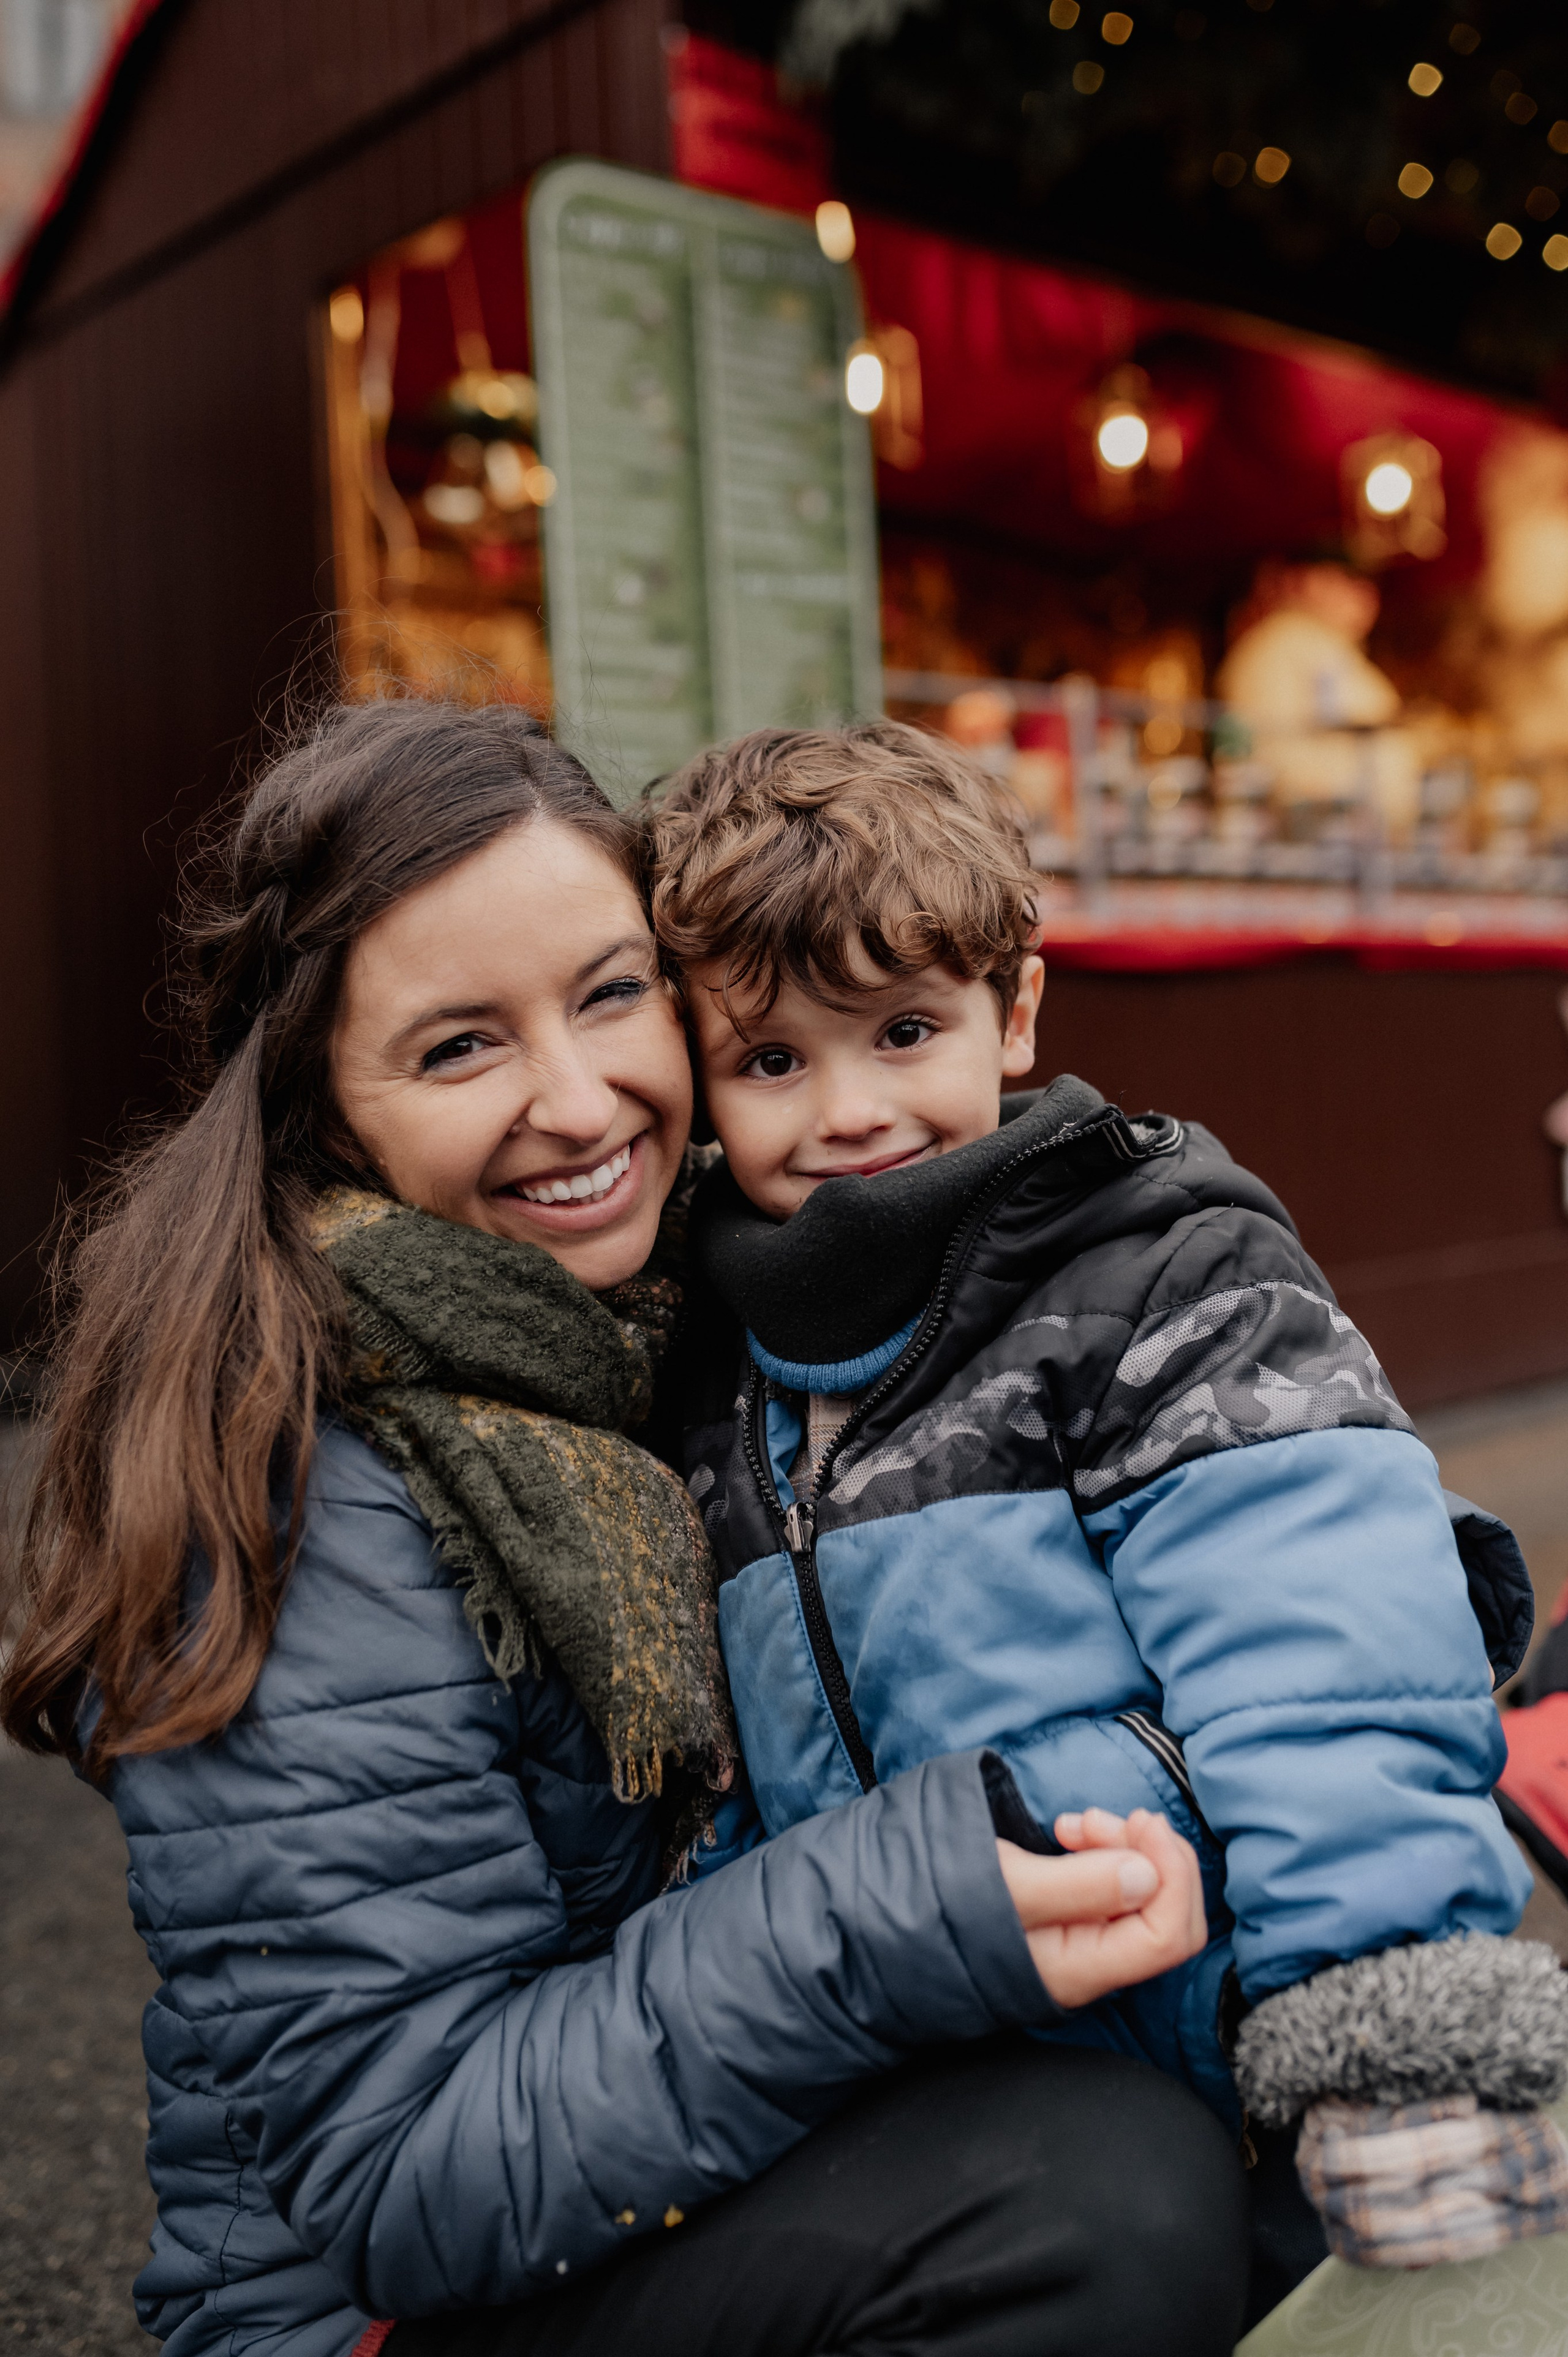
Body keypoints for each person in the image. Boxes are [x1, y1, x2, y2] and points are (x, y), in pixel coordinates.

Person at [0, 698, 1251, 2357]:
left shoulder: (699, 1323)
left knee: (1279, 2153)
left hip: (651, 2161)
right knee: (1095, 2200)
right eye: (460, 1046)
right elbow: (403, 2165)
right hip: (390, 2301)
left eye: (610, 997)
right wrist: (904, 1912)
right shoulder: (296, 1468)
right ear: (322, 1111)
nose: (581, 1103)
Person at [646, 718, 1568, 2283]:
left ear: (1012, 1013)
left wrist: (1373, 2020)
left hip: (1226, 2036)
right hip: (930, 2069)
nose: (849, 1111)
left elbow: (1321, 1640)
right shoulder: (713, 1373)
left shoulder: (1152, 1273)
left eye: (904, 1032)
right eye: (773, 1060)